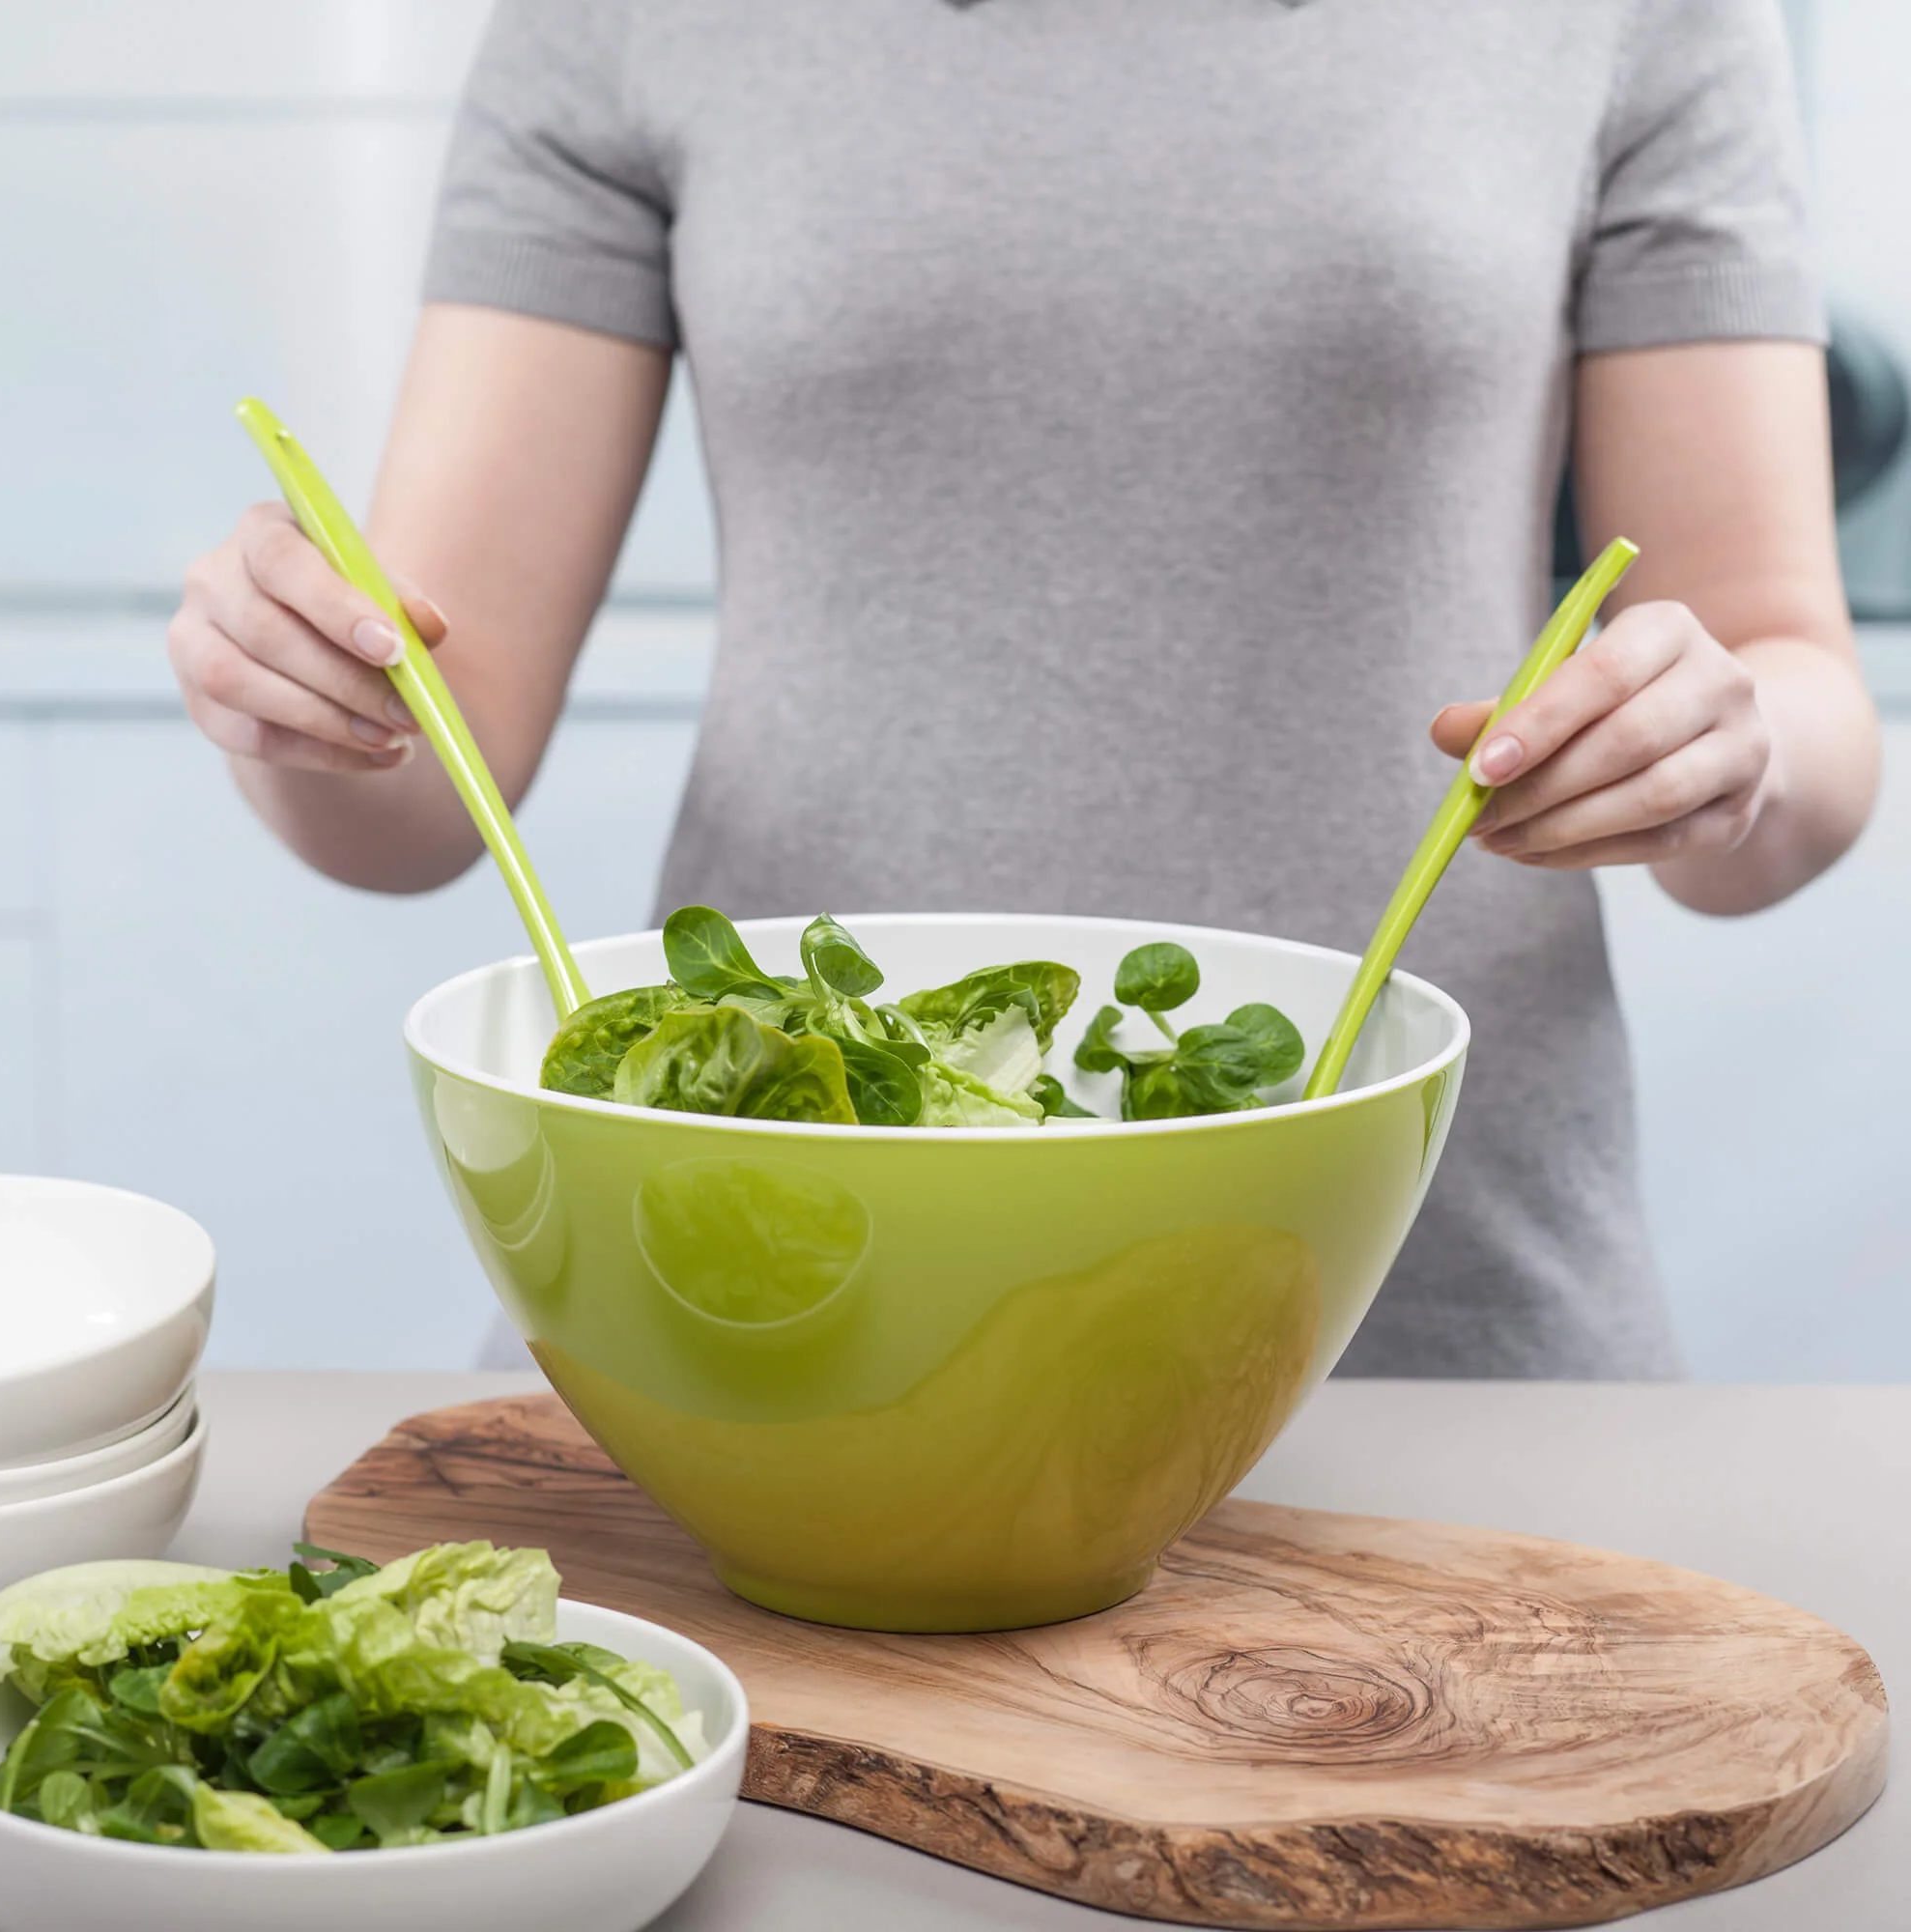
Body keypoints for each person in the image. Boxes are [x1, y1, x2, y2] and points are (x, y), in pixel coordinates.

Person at [168, 0, 1879, 1378]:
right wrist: (300, 693)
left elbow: (1788, 684)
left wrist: (1721, 754)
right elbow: (420, 790)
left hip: (1433, 1307)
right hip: (780, 1306)